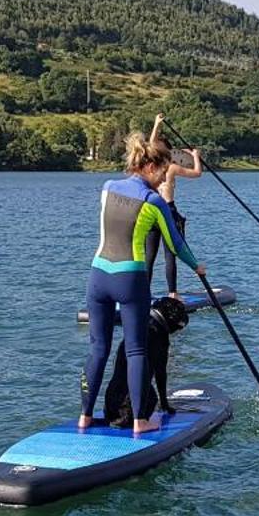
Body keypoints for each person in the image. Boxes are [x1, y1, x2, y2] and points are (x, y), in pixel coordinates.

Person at [82, 132, 204, 434]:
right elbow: (175, 244)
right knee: (137, 350)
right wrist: (196, 267)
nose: (164, 178)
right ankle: (140, 421)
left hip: (97, 276)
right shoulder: (154, 201)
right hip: (130, 278)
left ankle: (85, 416)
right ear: (150, 166)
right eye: (163, 171)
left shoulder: (107, 188)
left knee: (98, 348)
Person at [103, 296, 191, 429]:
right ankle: (140, 421)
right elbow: (160, 373)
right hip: (130, 413)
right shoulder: (158, 334)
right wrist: (164, 403)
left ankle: (116, 416)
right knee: (151, 397)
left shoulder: (137, 326)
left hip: (110, 406)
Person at [148, 113, 203, 299]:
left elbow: (151, 143)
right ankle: (172, 293)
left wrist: (156, 125)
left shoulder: (154, 166)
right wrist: (196, 156)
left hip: (152, 211)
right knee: (167, 254)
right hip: (166, 211)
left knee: (154, 255)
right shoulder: (169, 166)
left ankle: (155, 293)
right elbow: (197, 173)